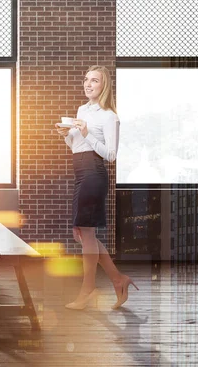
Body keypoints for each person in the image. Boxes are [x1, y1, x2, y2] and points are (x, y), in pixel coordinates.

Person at [55, 65, 139, 310]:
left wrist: (87, 133)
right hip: (80, 172)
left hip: (94, 173)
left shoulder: (109, 116)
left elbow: (110, 155)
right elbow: (75, 146)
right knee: (85, 235)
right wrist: (65, 134)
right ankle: (118, 279)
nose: (88, 84)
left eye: (94, 81)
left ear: (104, 86)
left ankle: (88, 288)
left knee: (86, 234)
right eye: (86, 79)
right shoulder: (82, 110)